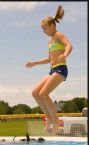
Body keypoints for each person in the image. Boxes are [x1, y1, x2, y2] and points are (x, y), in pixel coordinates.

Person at [25, 5, 73, 135]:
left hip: (61, 69)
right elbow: (49, 58)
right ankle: (49, 117)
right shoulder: (49, 41)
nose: (44, 31)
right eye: (42, 29)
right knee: (35, 92)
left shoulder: (58, 35)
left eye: (45, 28)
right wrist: (34, 63)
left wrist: (65, 54)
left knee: (43, 94)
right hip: (52, 70)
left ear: (52, 26)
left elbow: (69, 45)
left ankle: (56, 120)